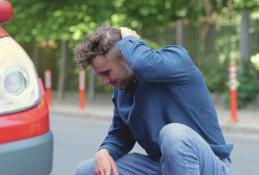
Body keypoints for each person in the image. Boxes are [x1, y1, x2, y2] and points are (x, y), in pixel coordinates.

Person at [74, 26, 233, 175]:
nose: (105, 81)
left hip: (207, 166)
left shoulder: (174, 61)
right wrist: (104, 151)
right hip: (162, 166)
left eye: (107, 72)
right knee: (87, 170)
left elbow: (144, 64)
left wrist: (130, 40)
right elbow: (120, 135)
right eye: (101, 75)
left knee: (174, 134)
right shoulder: (121, 88)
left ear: (125, 57)